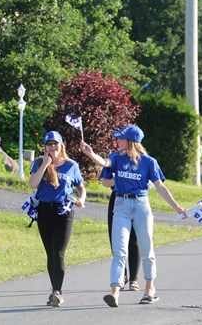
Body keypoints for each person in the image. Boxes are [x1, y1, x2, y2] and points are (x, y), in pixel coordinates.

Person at [80, 124, 186, 307]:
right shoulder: (116, 158)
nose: (117, 140)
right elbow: (105, 163)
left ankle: (149, 289)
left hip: (141, 205)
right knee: (119, 250)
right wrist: (90, 153)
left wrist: (177, 207)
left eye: (120, 138)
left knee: (146, 248)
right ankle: (114, 292)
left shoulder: (149, 162)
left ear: (131, 141)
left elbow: (160, 186)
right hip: (121, 205)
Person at [28, 131, 86, 307]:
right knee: (50, 253)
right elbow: (33, 184)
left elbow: (81, 187)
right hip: (45, 210)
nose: (53, 148)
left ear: (62, 145)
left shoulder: (71, 165)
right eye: (49, 145)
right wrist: (45, 164)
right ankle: (54, 289)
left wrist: (81, 199)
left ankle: (57, 292)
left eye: (56, 144)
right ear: (44, 147)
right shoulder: (39, 162)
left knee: (59, 252)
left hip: (64, 211)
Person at [100, 166, 141, 292]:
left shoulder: (142, 159)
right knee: (116, 239)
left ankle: (134, 278)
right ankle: (121, 276)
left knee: (134, 240)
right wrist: (118, 180)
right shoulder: (114, 159)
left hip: (137, 198)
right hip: (117, 197)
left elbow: (150, 182)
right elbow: (104, 181)